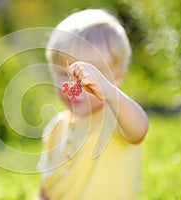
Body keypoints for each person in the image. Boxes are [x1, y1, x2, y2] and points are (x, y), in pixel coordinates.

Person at [37, 9, 149, 200]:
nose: (76, 86)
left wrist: (111, 94)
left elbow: (139, 129)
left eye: (92, 77)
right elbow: (47, 185)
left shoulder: (115, 117)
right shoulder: (55, 128)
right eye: (65, 73)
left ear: (116, 77)